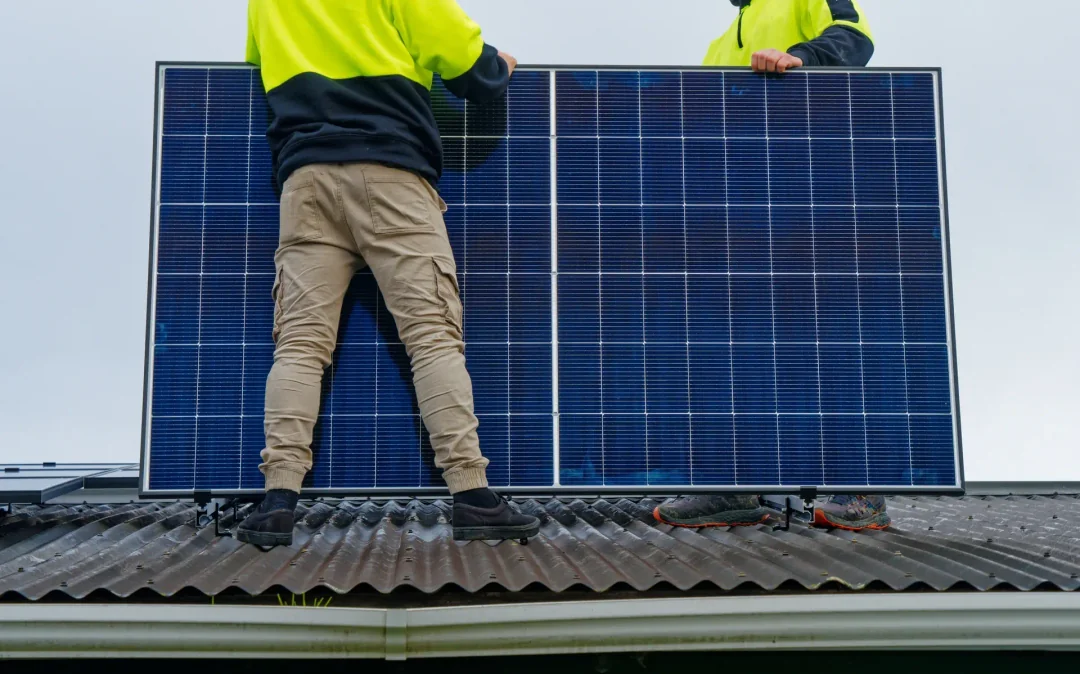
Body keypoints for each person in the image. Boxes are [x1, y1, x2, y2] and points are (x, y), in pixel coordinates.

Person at [236, 0, 541, 547]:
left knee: (301, 344)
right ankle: (471, 494)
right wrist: (498, 67)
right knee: (431, 335)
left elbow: (258, 66)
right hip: (390, 173)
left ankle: (277, 500)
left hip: (304, 180)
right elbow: (464, 59)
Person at [654, 0, 890, 532]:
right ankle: (733, 484)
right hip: (737, 205)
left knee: (823, 334)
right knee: (733, 342)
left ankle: (864, 487)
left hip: (803, 188)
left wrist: (800, 58)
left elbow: (855, 36)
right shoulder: (719, 45)